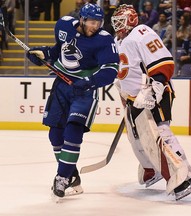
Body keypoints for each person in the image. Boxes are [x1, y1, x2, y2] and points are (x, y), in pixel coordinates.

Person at [26, 3, 119, 199]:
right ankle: (71, 174)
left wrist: (89, 82)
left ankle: (62, 177)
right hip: (61, 86)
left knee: (73, 130)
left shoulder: (104, 40)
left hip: (85, 90)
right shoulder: (64, 26)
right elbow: (56, 51)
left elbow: (111, 71)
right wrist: (42, 54)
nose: (96, 26)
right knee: (55, 135)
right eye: (92, 22)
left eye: (98, 22)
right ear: (82, 20)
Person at [111, 4, 191, 201]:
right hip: (133, 100)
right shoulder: (118, 41)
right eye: (115, 22)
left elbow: (163, 61)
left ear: (132, 20)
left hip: (153, 94)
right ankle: (153, 169)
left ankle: (184, 176)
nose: (117, 26)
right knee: (137, 139)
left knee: (160, 134)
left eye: (121, 21)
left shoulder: (142, 33)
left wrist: (155, 89)